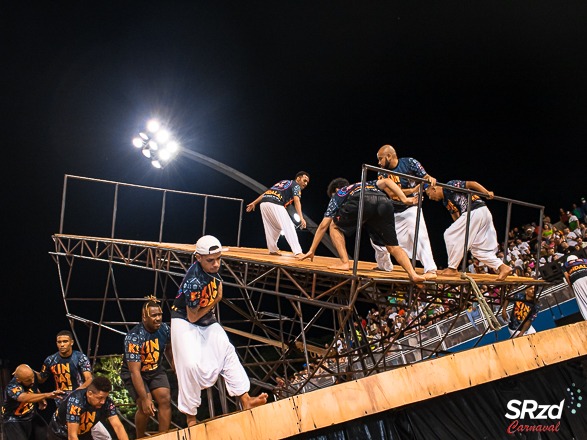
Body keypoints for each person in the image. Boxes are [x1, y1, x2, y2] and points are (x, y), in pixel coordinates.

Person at [170, 235, 268, 427]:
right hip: (184, 319)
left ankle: (245, 399)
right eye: (211, 260)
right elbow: (193, 317)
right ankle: (190, 417)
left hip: (205, 316)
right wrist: (217, 300)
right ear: (198, 258)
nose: (216, 264)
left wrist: (215, 298)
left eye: (218, 259)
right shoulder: (193, 282)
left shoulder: (212, 268)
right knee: (189, 365)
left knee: (226, 350)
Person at [300, 177, 429, 283]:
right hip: (384, 201)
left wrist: (312, 250)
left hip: (362, 201)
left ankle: (345, 263)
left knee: (334, 225)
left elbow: (323, 225)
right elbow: (387, 181)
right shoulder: (363, 183)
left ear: (337, 190)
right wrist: (405, 199)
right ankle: (412, 274)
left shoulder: (339, 194)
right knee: (393, 246)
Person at [424, 180, 512, 281]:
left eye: (428, 194)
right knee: (477, 250)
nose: (430, 198)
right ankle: (502, 267)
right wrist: (461, 230)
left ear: (433, 188)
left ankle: (452, 268)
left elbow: (471, 184)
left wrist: (486, 192)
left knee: (449, 234)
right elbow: (455, 215)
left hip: (475, 210)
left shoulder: (449, 185)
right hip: (480, 214)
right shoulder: (445, 200)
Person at [371, 144, 438, 276]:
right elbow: (391, 193)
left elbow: (424, 177)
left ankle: (431, 269)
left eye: (380, 159)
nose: (379, 163)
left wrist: (429, 179)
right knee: (377, 236)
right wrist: (413, 190)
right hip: (392, 210)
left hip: (410, 208)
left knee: (420, 235)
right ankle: (384, 265)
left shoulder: (409, 163)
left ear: (389, 156)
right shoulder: (382, 172)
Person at [36, 331, 112, 440]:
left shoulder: (80, 357)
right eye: (59, 342)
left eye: (65, 341)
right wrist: (27, 371)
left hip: (82, 404)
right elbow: (41, 378)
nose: (62, 344)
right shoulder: (50, 360)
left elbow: (89, 379)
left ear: (71, 342)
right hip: (63, 405)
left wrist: (76, 394)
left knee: (103, 436)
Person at [120, 300, 174, 438]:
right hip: (136, 373)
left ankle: (163, 436)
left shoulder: (165, 329)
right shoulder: (133, 337)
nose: (158, 318)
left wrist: (174, 366)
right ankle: (140, 437)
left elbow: (168, 348)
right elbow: (134, 371)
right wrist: (144, 398)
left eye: (160, 315)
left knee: (165, 399)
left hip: (155, 369)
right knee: (146, 407)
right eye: (154, 315)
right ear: (144, 317)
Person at [246, 171, 310, 257]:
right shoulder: (296, 185)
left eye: (307, 182)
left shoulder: (284, 182)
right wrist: (301, 217)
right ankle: (298, 252)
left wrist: (254, 202)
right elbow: (297, 201)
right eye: (304, 180)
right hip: (275, 203)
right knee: (289, 226)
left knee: (274, 227)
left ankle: (272, 250)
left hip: (264, 203)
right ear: (298, 178)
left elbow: (267, 192)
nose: (306, 183)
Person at [47, 376, 129, 440]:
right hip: (60, 434)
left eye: (105, 397)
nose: (103, 402)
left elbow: (118, 426)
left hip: (84, 432)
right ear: (90, 394)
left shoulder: (107, 402)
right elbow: (72, 436)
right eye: (100, 398)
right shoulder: (76, 402)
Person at [2, 364, 63, 440]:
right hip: (14, 420)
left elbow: (34, 386)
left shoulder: (31, 376)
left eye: (33, 378)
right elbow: (24, 397)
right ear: (19, 380)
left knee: (47, 436)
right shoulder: (12, 387)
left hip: (31, 415)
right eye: (28, 380)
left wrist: (40, 398)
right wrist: (47, 395)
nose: (32, 381)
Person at [563, 254, 587, 320]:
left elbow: (566, 276)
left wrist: (572, 287)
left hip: (576, 278)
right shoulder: (583, 260)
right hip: (586, 273)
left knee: (583, 301)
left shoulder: (566, 264)